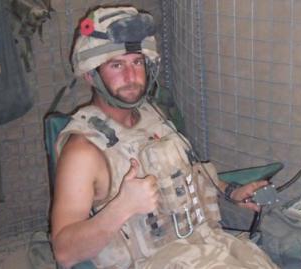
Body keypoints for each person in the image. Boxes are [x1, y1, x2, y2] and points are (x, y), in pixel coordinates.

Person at [51, 6, 278, 269]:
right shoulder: (83, 151)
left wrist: (231, 192)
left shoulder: (153, 116)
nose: (131, 76)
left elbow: (182, 178)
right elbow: (64, 252)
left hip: (209, 247)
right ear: (91, 75)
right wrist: (122, 207)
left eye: (137, 62)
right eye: (116, 65)